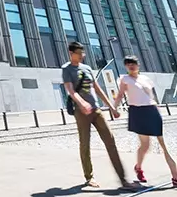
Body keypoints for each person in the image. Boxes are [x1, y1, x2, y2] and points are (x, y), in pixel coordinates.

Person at [62, 41, 137, 190]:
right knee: (85, 144)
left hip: (96, 110)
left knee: (110, 140)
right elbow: (71, 90)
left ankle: (123, 180)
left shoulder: (87, 68)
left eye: (83, 53)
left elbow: (97, 88)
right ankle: (89, 177)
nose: (82, 56)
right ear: (71, 53)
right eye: (79, 53)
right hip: (81, 112)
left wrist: (111, 107)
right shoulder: (67, 69)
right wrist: (82, 103)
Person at [113, 56, 177, 186]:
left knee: (163, 144)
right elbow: (120, 94)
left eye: (133, 63)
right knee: (145, 145)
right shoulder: (125, 79)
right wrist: (115, 108)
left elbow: (151, 96)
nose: (131, 66)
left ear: (138, 65)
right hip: (138, 112)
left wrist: (157, 110)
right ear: (125, 66)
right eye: (128, 64)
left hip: (152, 111)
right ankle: (138, 167)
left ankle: (175, 176)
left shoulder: (146, 79)